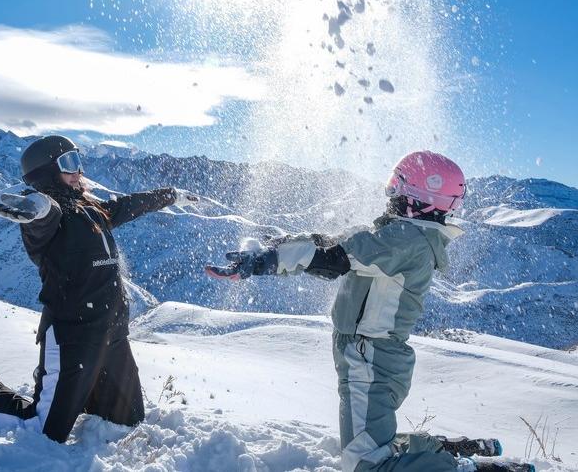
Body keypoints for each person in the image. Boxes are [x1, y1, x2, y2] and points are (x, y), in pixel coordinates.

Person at [206, 151, 531, 472]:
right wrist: (281, 245)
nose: (390, 193)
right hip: (369, 355)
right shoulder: (400, 233)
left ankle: (462, 469)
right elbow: (333, 243)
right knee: (369, 447)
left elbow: (334, 259)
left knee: (365, 465)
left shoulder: (404, 240)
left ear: (418, 198)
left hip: (369, 358)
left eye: (397, 186)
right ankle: (442, 450)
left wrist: (268, 261)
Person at [0, 135, 198, 443]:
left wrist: (170, 195)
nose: (78, 171)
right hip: (72, 336)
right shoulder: (49, 217)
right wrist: (40, 208)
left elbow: (128, 205)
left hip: (112, 331)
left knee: (127, 419)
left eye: (78, 161)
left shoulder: (92, 209)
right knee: (43, 431)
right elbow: (44, 217)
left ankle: (73, 392)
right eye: (68, 163)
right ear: (47, 172)